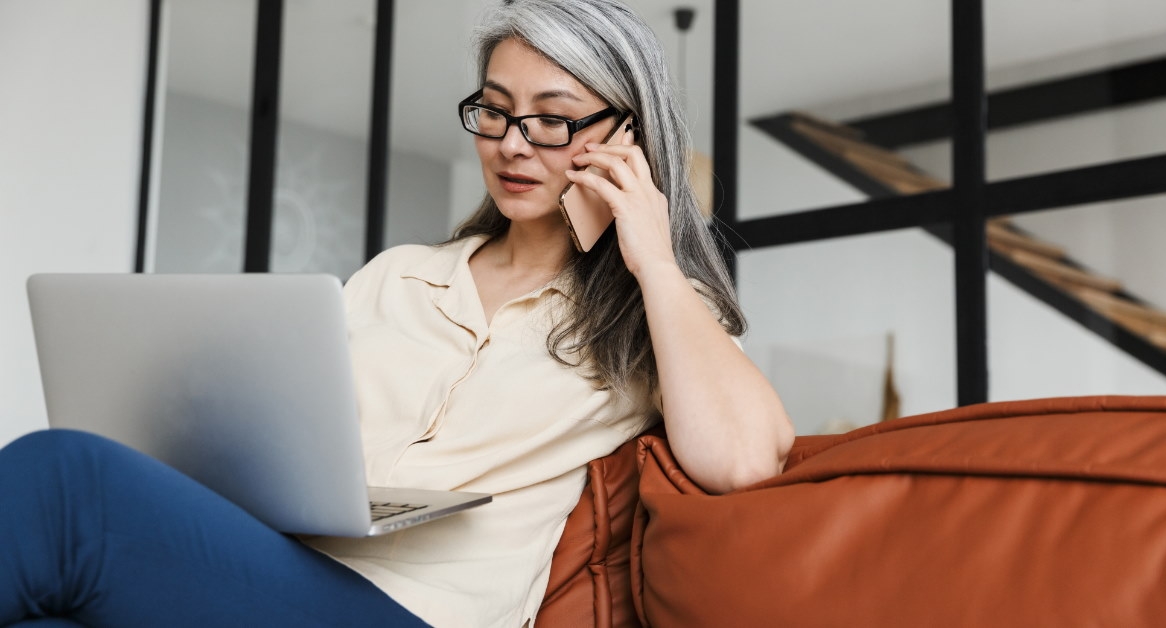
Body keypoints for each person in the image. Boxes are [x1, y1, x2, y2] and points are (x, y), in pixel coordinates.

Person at [0, 0, 793, 625]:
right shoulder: (398, 277)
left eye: (552, 119)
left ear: (626, 137)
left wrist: (654, 257)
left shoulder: (654, 322)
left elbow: (746, 460)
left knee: (68, 478)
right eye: (494, 110)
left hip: (415, 613)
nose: (513, 144)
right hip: (276, 569)